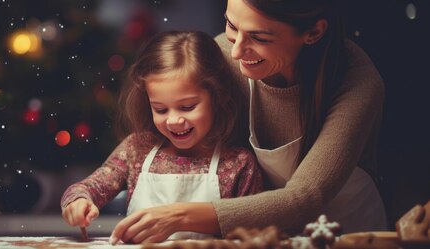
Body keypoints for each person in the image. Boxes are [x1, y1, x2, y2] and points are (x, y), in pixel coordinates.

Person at [110, 0, 387, 244]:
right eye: (232, 25)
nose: (236, 51)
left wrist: (180, 215)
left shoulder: (356, 78)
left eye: (259, 38)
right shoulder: (221, 57)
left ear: (313, 32)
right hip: (264, 237)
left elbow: (304, 198)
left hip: (349, 233)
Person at [60, 31, 263, 241]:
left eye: (187, 107)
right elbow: (88, 188)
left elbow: (255, 232)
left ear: (218, 97)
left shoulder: (238, 164)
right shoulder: (137, 149)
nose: (173, 120)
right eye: (161, 109)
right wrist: (78, 202)